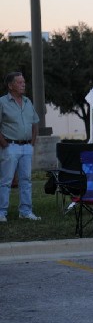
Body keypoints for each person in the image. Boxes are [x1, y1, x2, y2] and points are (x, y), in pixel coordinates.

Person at [0, 72, 41, 221]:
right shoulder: (2, 102)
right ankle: (1, 212)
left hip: (26, 148)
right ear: (10, 86)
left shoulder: (28, 101)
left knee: (26, 180)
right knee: (6, 181)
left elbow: (35, 123)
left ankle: (25, 211)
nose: (23, 84)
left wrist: (32, 144)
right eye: (19, 82)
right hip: (10, 146)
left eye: (23, 82)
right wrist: (4, 144)